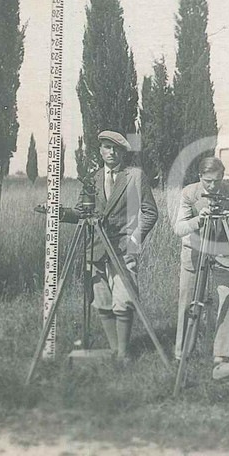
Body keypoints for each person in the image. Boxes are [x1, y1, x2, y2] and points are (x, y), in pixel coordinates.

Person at [61, 130, 158, 360]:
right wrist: (60, 213)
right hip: (95, 248)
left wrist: (134, 239)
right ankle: (114, 350)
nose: (111, 152)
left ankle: (124, 354)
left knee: (124, 300)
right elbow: (81, 212)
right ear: (100, 150)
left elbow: (150, 213)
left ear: (122, 152)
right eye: (106, 147)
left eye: (116, 149)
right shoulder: (93, 179)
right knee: (101, 300)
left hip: (123, 249)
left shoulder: (134, 176)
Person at [173, 157, 229, 380]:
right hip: (195, 251)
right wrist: (198, 220)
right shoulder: (189, 193)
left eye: (217, 180)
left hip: (223, 249)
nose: (213, 186)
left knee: (228, 297)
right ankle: (182, 352)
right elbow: (178, 228)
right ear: (200, 177)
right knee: (187, 300)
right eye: (208, 181)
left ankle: (222, 355)